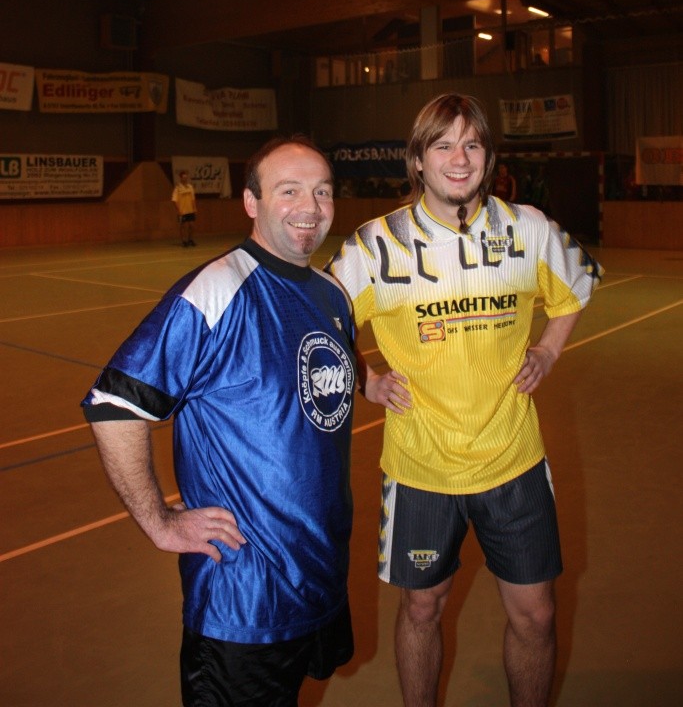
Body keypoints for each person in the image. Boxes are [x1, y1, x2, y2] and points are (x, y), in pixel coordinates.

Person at [327, 93, 603, 707]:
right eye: (443, 145)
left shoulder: (528, 228)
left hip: (514, 459)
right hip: (421, 468)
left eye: (472, 144)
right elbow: (320, 323)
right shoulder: (377, 245)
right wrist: (366, 380)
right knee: (422, 608)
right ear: (417, 160)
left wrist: (549, 350)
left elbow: (577, 285)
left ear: (488, 157)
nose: (459, 158)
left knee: (536, 614)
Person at [82, 136, 356, 707]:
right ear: (251, 203)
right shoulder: (219, 290)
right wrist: (159, 521)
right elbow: (113, 404)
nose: (310, 207)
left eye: (322, 191)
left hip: (320, 574)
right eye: (289, 191)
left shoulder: (333, 294)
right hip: (244, 599)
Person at [172, 168, 197, 246]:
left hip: (190, 210)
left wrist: (194, 208)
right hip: (182, 211)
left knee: (192, 226)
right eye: (183, 177)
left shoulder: (190, 187)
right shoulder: (178, 188)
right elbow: (174, 200)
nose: (185, 179)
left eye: (186, 177)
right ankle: (184, 241)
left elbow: (193, 199)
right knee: (183, 226)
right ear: (181, 178)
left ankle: (190, 239)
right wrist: (178, 210)